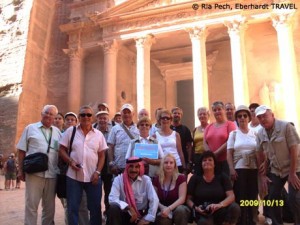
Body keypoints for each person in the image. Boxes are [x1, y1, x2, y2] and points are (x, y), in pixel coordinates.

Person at [59, 105, 107, 225]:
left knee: (95, 208)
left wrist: (98, 172)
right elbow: (61, 150)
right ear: (79, 117)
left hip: (93, 177)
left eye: (88, 115)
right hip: (74, 177)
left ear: (92, 118)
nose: (86, 117)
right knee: (73, 208)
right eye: (83, 115)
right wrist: (70, 161)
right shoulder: (71, 131)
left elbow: (102, 155)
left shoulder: (98, 135)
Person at [16, 105, 62, 225]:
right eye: (46, 113)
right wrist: (20, 171)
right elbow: (21, 150)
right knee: (31, 206)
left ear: (54, 117)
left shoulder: (57, 132)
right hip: (34, 174)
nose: (48, 116)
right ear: (41, 113)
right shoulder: (30, 128)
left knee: (49, 208)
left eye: (51, 114)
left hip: (52, 174)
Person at [255, 105, 300, 225]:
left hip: (294, 167)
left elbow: (294, 149)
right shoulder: (260, 133)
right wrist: (263, 175)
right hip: (276, 169)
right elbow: (259, 153)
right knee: (272, 199)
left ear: (272, 115)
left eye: (265, 116)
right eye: (259, 117)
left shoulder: (286, 126)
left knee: (294, 198)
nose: (262, 119)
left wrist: (292, 173)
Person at [186, 151, 240, 225]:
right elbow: (188, 199)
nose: (207, 162)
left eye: (210, 160)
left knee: (235, 207)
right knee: (204, 223)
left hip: (220, 209)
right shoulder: (195, 178)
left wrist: (220, 205)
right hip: (203, 212)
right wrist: (196, 207)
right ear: (201, 164)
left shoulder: (222, 177)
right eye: (204, 160)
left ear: (214, 164)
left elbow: (231, 196)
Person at [227, 105, 258, 225]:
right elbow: (229, 153)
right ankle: (242, 222)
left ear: (249, 118)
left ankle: (252, 221)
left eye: (245, 115)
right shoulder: (233, 134)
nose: (242, 118)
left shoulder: (255, 133)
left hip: (253, 168)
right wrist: (231, 169)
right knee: (241, 197)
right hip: (239, 169)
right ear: (236, 118)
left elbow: (260, 152)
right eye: (239, 116)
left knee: (252, 197)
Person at [107, 157, 159, 225]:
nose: (133, 170)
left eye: (137, 167)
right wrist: (129, 207)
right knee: (113, 208)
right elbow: (112, 199)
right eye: (131, 166)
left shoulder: (146, 180)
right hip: (125, 214)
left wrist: (147, 218)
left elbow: (154, 199)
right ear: (127, 167)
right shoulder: (119, 180)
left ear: (140, 168)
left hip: (141, 216)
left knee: (154, 215)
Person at [153, 154, 190, 225]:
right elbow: (154, 198)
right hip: (162, 209)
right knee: (164, 220)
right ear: (162, 165)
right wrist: (163, 208)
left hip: (177, 208)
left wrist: (169, 209)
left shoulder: (181, 178)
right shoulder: (157, 179)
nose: (168, 165)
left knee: (181, 210)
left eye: (171, 162)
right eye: (166, 162)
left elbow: (182, 199)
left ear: (175, 165)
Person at [204, 101, 236, 175]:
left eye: (219, 109)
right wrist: (211, 155)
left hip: (225, 162)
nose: (217, 112)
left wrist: (216, 153)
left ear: (224, 110)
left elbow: (230, 140)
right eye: (215, 110)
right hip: (211, 162)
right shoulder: (209, 126)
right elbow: (205, 142)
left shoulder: (230, 124)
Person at [108, 103, 139, 175]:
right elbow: (110, 146)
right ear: (121, 114)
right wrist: (111, 163)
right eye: (124, 112)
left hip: (135, 167)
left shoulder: (138, 128)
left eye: (129, 112)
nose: (126, 114)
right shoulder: (115, 129)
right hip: (119, 167)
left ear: (133, 114)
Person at [153, 109, 186, 173]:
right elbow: (155, 155)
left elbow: (180, 152)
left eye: (167, 118)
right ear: (160, 120)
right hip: (163, 165)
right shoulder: (154, 136)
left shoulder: (176, 134)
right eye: (163, 118)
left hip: (177, 164)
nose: (165, 120)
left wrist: (184, 168)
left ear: (171, 120)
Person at [94, 110, 113, 217]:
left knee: (108, 191)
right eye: (100, 118)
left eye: (104, 118)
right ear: (97, 119)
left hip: (108, 166)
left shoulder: (112, 131)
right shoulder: (92, 130)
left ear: (108, 119)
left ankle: (108, 213)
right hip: (95, 165)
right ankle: (96, 215)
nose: (102, 120)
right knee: (95, 192)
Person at [170, 107, 193, 173]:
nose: (176, 115)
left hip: (182, 161)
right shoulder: (168, 128)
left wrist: (189, 161)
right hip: (169, 161)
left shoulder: (185, 129)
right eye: (175, 113)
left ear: (181, 116)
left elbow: (189, 147)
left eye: (178, 113)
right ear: (171, 115)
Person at [192, 107, 210, 175]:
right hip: (197, 157)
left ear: (208, 116)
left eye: (204, 114)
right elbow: (193, 145)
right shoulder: (195, 130)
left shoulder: (211, 127)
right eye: (200, 114)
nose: (202, 116)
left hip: (208, 156)